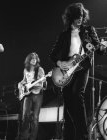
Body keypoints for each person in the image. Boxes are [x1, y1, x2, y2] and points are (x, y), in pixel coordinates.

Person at [49, 3, 106, 140]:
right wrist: (59, 63)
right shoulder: (63, 35)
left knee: (77, 94)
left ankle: (83, 135)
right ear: (71, 18)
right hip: (66, 71)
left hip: (82, 67)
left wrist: (102, 47)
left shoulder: (88, 30)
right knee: (68, 102)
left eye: (81, 16)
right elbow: (53, 54)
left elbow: (99, 49)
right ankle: (69, 135)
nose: (80, 19)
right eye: (76, 16)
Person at [17, 52, 47, 140]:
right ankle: (23, 137)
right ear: (28, 60)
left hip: (38, 94)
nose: (34, 60)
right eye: (32, 58)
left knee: (35, 117)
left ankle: (33, 138)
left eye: (35, 59)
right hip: (27, 95)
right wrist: (20, 84)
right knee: (25, 116)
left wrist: (43, 81)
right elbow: (24, 80)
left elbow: (42, 83)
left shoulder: (40, 69)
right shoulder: (26, 70)